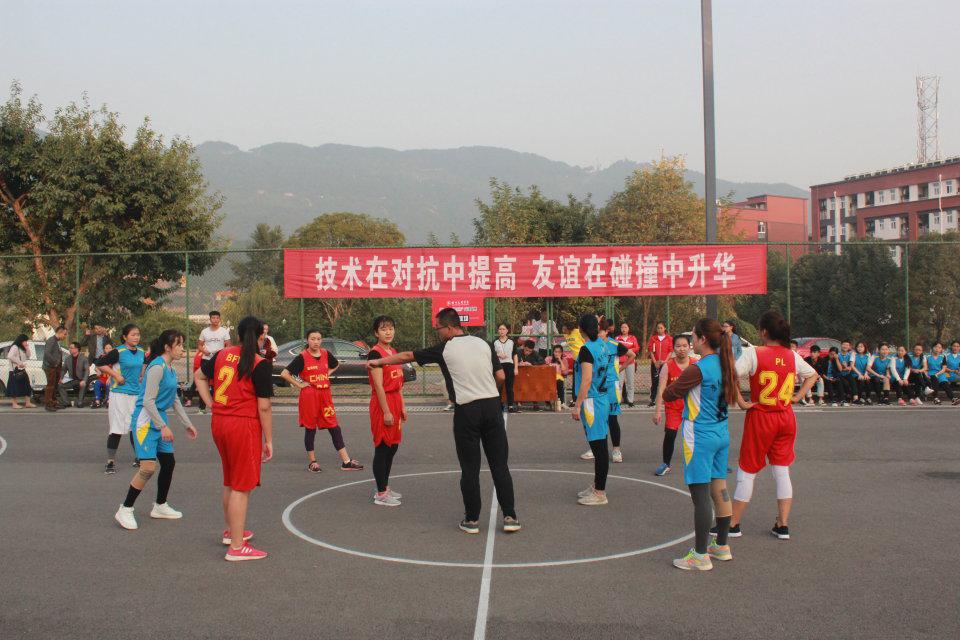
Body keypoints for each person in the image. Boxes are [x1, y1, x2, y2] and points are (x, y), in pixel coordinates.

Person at [367, 307, 520, 535]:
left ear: (449, 327)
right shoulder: (484, 343)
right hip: (492, 406)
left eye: (438, 328)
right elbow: (501, 376)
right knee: (500, 465)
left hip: (467, 410)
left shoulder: (445, 348)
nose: (437, 332)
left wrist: (379, 362)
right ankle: (510, 517)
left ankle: (472, 520)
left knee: (470, 468)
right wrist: (490, 392)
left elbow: (407, 356)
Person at [727, 311, 818, 542]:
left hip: (761, 416)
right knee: (781, 470)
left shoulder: (754, 353)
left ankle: (733, 524)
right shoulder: (791, 355)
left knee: (748, 470)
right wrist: (797, 397)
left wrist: (741, 401)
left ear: (764, 332)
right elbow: (812, 375)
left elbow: (730, 374)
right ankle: (782, 524)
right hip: (785, 417)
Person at [663, 318, 745, 571]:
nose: (691, 342)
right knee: (719, 488)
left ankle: (700, 555)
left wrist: (673, 381)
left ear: (702, 339)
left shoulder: (697, 369)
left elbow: (669, 393)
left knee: (700, 497)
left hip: (700, 435)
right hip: (721, 432)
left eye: (694, 337)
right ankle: (721, 545)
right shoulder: (725, 364)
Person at [195, 315, 274, 561]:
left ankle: (232, 532)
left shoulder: (221, 354)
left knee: (230, 480)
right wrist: (269, 440)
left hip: (220, 422)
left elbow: (198, 376)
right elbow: (264, 407)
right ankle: (237, 548)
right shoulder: (259, 363)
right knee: (242, 485)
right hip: (242, 425)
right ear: (261, 337)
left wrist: (210, 403)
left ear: (238, 335)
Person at [114, 330, 198, 531]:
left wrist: (187, 423)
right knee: (148, 468)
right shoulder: (157, 368)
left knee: (168, 463)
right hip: (145, 422)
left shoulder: (170, 369)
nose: (182, 349)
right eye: (179, 345)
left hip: (159, 419)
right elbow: (147, 401)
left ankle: (160, 505)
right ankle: (125, 508)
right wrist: (163, 426)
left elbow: (174, 399)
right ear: (167, 347)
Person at [281, 329, 363, 472]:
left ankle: (346, 461)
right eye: (313, 339)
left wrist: (326, 373)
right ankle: (313, 462)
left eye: (318, 339)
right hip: (310, 395)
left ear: (321, 340)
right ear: (307, 340)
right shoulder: (302, 357)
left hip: (325, 394)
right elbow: (285, 373)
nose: (316, 342)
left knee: (334, 426)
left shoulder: (325, 353)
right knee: (310, 428)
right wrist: (299, 384)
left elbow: (335, 364)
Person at [571, 314, 613, 505]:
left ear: (581, 329)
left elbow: (587, 379)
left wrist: (577, 404)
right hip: (601, 398)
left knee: (599, 448)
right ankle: (597, 485)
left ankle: (600, 493)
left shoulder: (587, 349)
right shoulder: (602, 345)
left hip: (592, 402)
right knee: (599, 446)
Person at [367, 316, 407, 507]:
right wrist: (386, 411)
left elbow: (399, 383)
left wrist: (403, 406)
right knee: (383, 447)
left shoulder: (393, 352)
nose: (388, 332)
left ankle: (385, 486)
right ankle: (381, 493)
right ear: (376, 333)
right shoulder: (375, 353)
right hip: (383, 403)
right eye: (383, 329)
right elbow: (378, 386)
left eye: (390, 328)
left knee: (393, 446)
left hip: (395, 401)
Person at [96, 324, 145, 474]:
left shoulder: (141, 351)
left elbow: (142, 366)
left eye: (138, 334)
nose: (136, 337)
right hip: (119, 394)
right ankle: (110, 462)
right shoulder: (118, 351)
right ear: (124, 337)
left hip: (136, 394)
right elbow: (100, 364)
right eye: (133, 335)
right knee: (117, 428)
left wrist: (142, 375)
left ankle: (139, 457)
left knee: (136, 427)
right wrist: (116, 375)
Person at [652, 334, 697, 476]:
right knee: (670, 434)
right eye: (678, 346)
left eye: (684, 346)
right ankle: (666, 463)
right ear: (673, 348)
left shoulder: (696, 364)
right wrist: (657, 411)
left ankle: (709, 462)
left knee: (700, 435)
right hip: (673, 407)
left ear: (689, 347)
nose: (681, 349)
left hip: (693, 407)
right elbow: (661, 390)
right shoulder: (668, 366)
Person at [646, 322, 673, 407]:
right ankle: (653, 399)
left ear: (664, 328)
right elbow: (651, 351)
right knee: (655, 382)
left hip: (665, 363)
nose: (659, 329)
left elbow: (670, 351)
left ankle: (666, 399)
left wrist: (665, 361)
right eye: (658, 328)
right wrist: (655, 362)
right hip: (655, 364)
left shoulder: (669, 339)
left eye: (661, 328)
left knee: (666, 381)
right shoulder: (653, 338)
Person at [494, 323, 519, 413]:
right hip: (499, 366)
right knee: (499, 387)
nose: (501, 331)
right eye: (500, 329)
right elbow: (492, 355)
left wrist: (516, 368)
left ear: (507, 331)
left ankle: (510, 406)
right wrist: (498, 354)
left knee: (509, 387)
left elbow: (515, 355)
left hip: (509, 365)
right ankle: (498, 405)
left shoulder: (511, 342)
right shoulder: (495, 342)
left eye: (503, 329)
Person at [6, 334, 35, 409]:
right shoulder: (15, 347)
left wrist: (27, 348)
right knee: (14, 387)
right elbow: (10, 356)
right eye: (25, 341)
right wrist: (19, 363)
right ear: (21, 340)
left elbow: (28, 356)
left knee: (27, 385)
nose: (26, 342)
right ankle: (14, 404)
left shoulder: (22, 348)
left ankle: (28, 403)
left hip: (22, 370)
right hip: (14, 371)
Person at [42, 325, 67, 412]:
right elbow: (47, 353)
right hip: (50, 367)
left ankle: (53, 402)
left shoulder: (57, 341)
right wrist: (55, 363)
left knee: (55, 386)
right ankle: (48, 404)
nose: (65, 336)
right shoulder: (51, 340)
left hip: (55, 368)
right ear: (60, 332)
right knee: (50, 386)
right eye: (64, 334)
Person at [615, 322, 640, 407]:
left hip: (630, 362)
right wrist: (626, 351)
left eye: (625, 327)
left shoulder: (633, 338)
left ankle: (630, 401)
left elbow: (637, 348)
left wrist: (628, 351)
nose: (624, 329)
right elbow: (615, 348)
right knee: (619, 382)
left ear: (628, 329)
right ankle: (618, 400)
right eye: (622, 327)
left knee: (630, 382)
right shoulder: (617, 338)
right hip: (620, 363)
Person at [58, 342, 89, 408]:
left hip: (81, 379)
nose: (70, 349)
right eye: (69, 348)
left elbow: (87, 370)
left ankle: (80, 402)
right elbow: (64, 369)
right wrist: (61, 378)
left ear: (77, 349)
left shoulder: (84, 358)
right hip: (72, 379)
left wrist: (84, 380)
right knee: (60, 385)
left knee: (83, 385)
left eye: (71, 348)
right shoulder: (68, 358)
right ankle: (66, 402)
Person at [90, 344, 112, 409]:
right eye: (106, 348)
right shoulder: (101, 357)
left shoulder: (114, 357)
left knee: (109, 384)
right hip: (102, 377)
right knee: (97, 383)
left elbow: (116, 369)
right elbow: (96, 367)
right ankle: (97, 401)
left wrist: (110, 378)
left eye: (110, 348)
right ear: (104, 350)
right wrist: (98, 371)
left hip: (111, 377)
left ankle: (108, 401)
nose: (108, 349)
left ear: (112, 349)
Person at [943, 341, 960, 406]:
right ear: (951, 347)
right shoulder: (946, 356)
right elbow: (944, 368)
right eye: (954, 346)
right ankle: (954, 398)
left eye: (957, 346)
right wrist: (952, 370)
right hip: (947, 374)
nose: (956, 348)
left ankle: (958, 399)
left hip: (957, 375)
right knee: (943, 379)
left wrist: (958, 370)